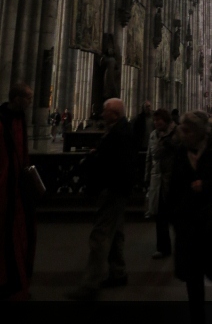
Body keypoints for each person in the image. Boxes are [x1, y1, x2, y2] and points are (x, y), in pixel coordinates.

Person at [168, 111, 212, 324]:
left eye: (187, 130)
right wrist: (175, 215)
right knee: (193, 278)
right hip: (189, 225)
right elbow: (173, 186)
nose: (183, 134)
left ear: (198, 132)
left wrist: (207, 186)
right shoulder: (181, 151)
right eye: (182, 130)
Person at [67, 98, 135, 301]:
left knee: (100, 236)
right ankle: (118, 272)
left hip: (113, 189)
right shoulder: (121, 129)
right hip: (118, 189)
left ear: (115, 114)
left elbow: (116, 162)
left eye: (106, 111)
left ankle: (90, 284)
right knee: (116, 233)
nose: (102, 114)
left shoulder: (120, 132)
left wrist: (97, 158)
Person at [0, 82, 36, 301]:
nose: (31, 102)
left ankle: (17, 284)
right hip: (5, 190)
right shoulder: (3, 121)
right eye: (28, 98)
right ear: (17, 99)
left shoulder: (20, 119)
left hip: (18, 191)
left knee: (21, 238)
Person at [144, 109, 179, 259]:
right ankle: (162, 247)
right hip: (157, 179)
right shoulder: (153, 135)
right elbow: (149, 157)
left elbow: (182, 154)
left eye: (159, 120)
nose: (156, 122)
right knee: (160, 216)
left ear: (166, 120)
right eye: (155, 120)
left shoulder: (176, 133)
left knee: (176, 215)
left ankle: (182, 244)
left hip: (172, 180)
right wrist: (147, 177)